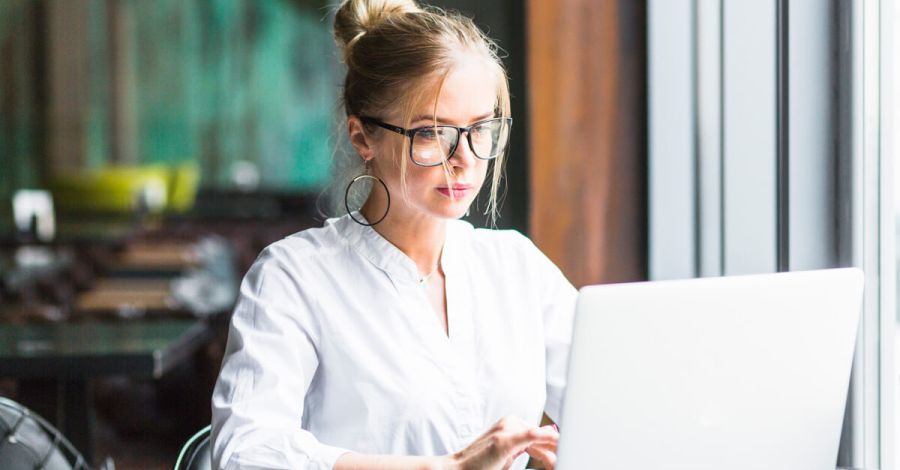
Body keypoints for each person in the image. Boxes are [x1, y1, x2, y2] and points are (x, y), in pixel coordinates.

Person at [211, 0, 577, 468]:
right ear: (363, 137)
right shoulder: (295, 277)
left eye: (481, 128)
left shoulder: (516, 267)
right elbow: (245, 451)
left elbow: (612, 407)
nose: (464, 158)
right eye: (431, 133)